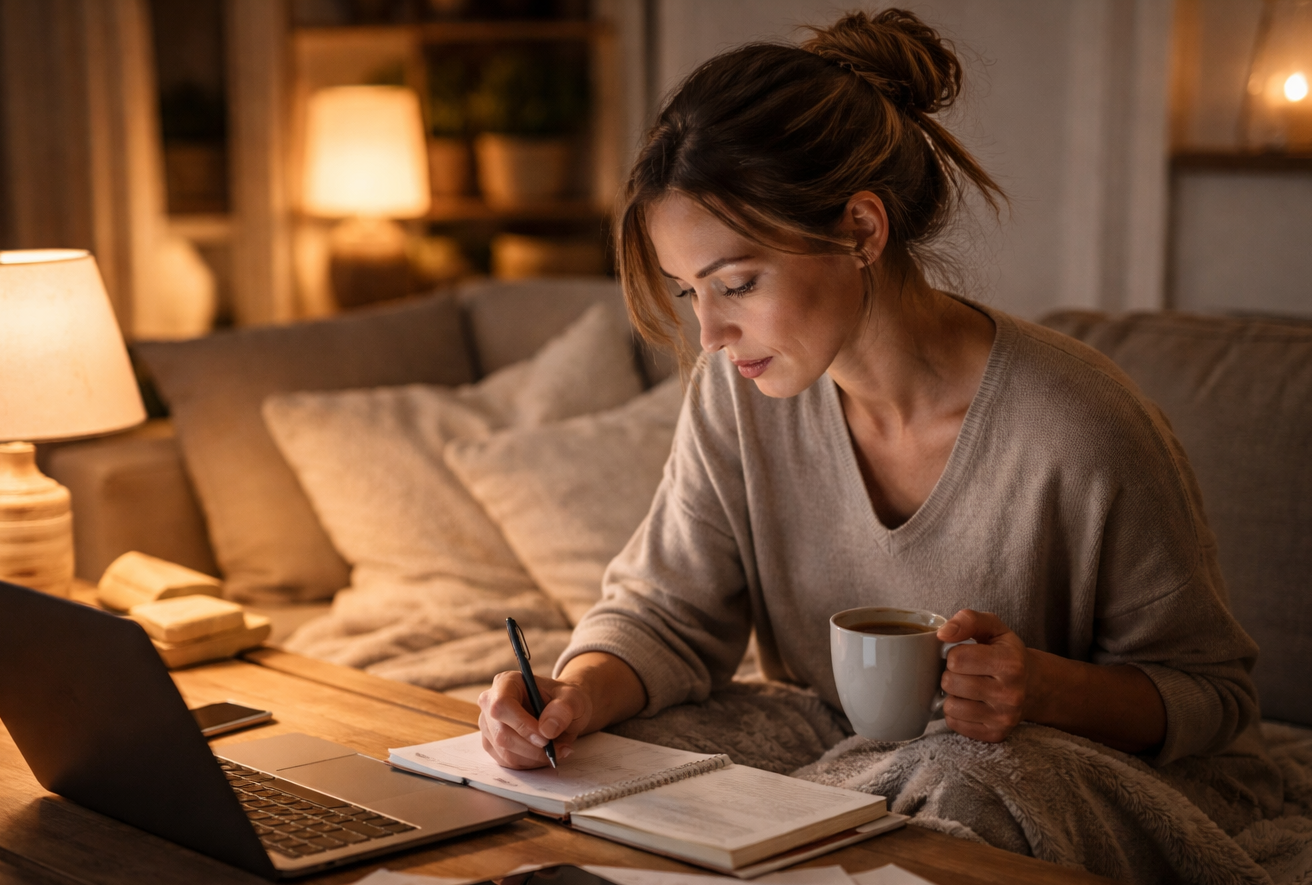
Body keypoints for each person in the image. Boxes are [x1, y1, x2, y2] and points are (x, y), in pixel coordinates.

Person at [478, 7, 1259, 773]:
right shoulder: (737, 394)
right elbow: (666, 612)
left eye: (738, 284)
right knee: (620, 764)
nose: (710, 333)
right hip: (836, 753)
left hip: (1021, 770)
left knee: (962, 784)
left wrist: (1044, 688)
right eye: (690, 292)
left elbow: (1212, 695)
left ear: (860, 230)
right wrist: (573, 696)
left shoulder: (1080, 425)